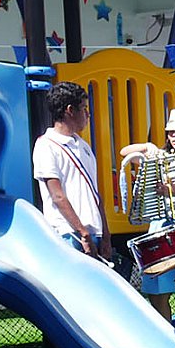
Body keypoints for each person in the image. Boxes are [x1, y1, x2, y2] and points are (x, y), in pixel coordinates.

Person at [120, 108, 175, 328]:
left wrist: (172, 191)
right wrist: (148, 147)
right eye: (172, 131)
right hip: (161, 228)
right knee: (157, 289)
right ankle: (168, 337)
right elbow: (124, 151)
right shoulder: (160, 156)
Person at [32, 81, 108, 260]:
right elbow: (57, 196)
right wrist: (82, 232)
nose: (88, 114)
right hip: (69, 234)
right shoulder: (46, 145)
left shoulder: (83, 146)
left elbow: (95, 193)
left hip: (94, 232)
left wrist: (106, 234)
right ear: (70, 110)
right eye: (83, 108)